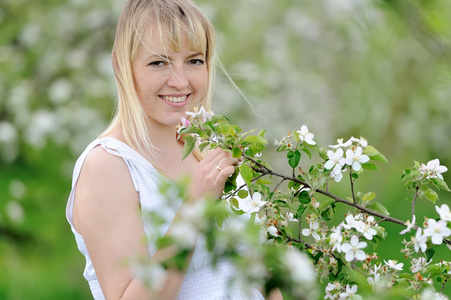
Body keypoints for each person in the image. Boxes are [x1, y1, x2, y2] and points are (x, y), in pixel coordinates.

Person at [66, 0, 283, 299]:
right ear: (121, 65)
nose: (180, 82)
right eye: (158, 62)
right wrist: (194, 208)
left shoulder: (208, 148)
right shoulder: (107, 166)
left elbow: (259, 274)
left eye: (194, 61)